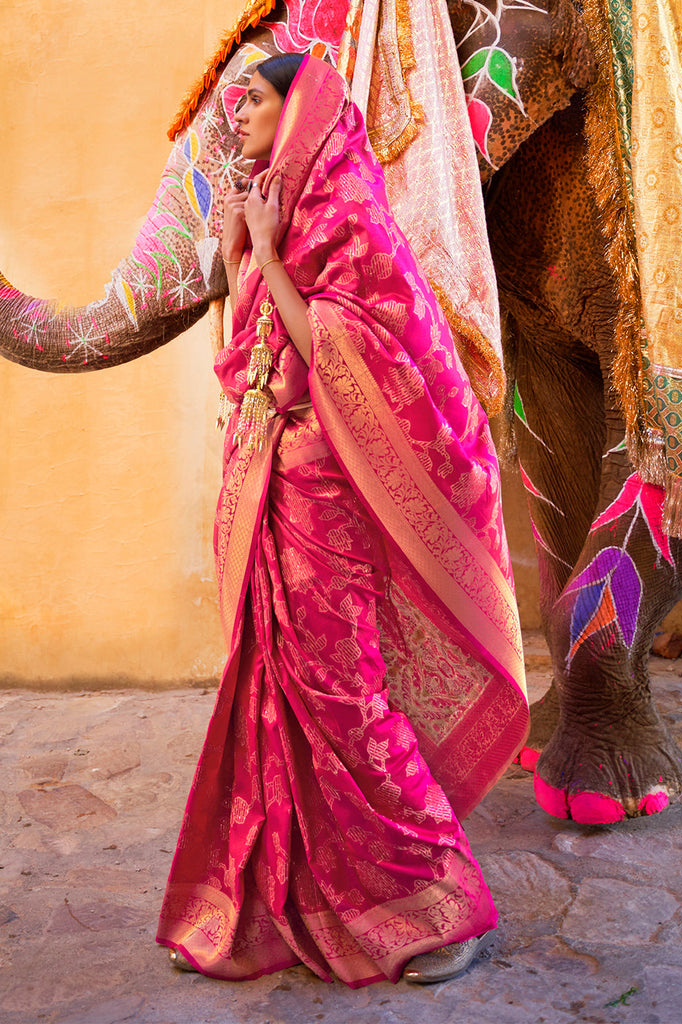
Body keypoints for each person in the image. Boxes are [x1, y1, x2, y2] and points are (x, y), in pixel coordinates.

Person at [156, 51, 528, 988]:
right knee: (270, 702)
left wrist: (270, 258)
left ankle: (447, 907)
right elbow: (249, 353)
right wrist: (246, 256)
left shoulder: (351, 218)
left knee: (347, 702)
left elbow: (339, 352)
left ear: (302, 114)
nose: (238, 114)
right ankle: (277, 907)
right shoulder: (274, 207)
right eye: (238, 101)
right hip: (275, 494)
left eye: (256, 101)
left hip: (332, 504)